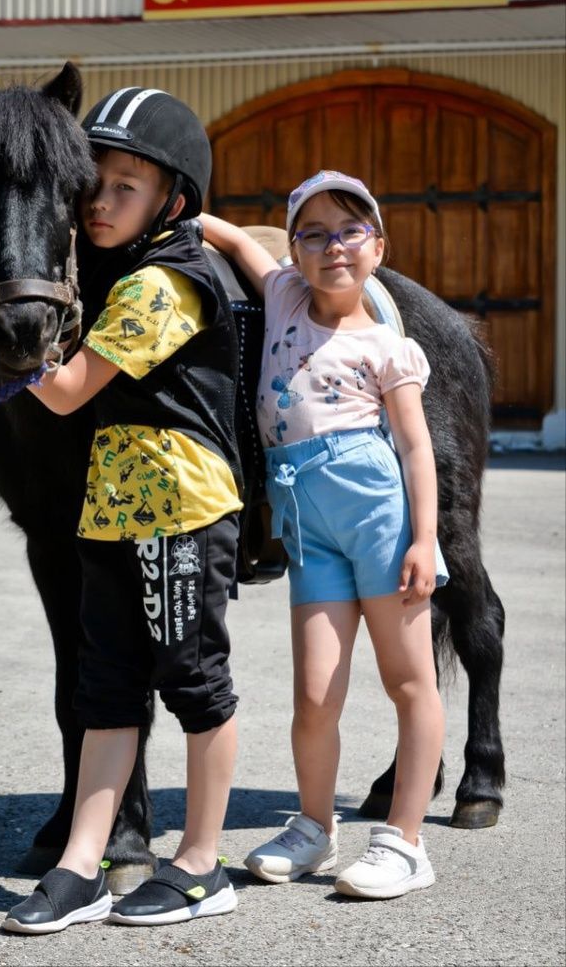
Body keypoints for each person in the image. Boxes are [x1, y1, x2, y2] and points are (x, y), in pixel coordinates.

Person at [0, 87, 243, 930]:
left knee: (193, 683)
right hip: (113, 511)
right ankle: (85, 861)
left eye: (126, 187)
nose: (100, 203)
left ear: (171, 202)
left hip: (179, 513)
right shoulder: (124, 271)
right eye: (95, 186)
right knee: (104, 682)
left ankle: (198, 863)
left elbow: (68, 385)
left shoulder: (161, 288)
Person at [199, 169, 448, 901]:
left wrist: (422, 538)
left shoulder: (388, 348)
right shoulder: (280, 294)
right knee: (314, 696)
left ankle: (404, 841)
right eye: (312, 233)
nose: (330, 246)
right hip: (307, 524)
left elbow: (413, 449)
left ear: (377, 247)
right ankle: (313, 826)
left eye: (349, 231)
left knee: (408, 682)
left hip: (375, 509)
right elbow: (238, 239)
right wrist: (181, 216)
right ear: (296, 249)